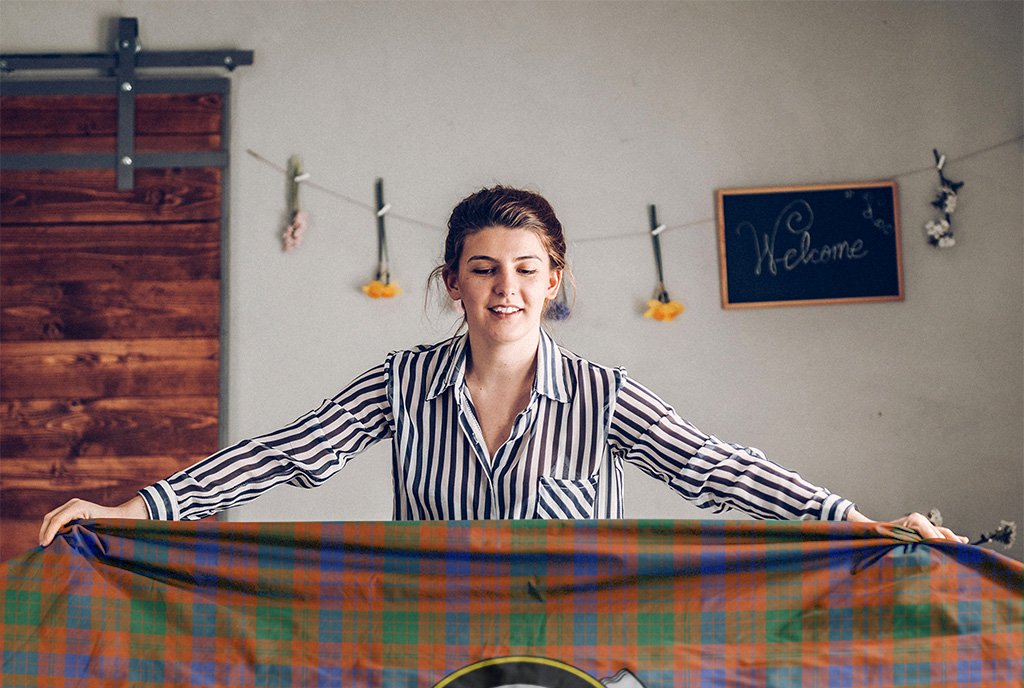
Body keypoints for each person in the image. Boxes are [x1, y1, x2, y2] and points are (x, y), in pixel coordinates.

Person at [39, 186, 967, 546]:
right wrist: (134, 511)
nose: (506, 289)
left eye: (527, 271)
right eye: (484, 270)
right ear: (453, 283)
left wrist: (854, 521)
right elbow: (283, 456)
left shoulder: (604, 397)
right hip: (431, 652)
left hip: (578, 658)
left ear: (555, 281)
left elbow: (717, 467)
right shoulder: (401, 382)